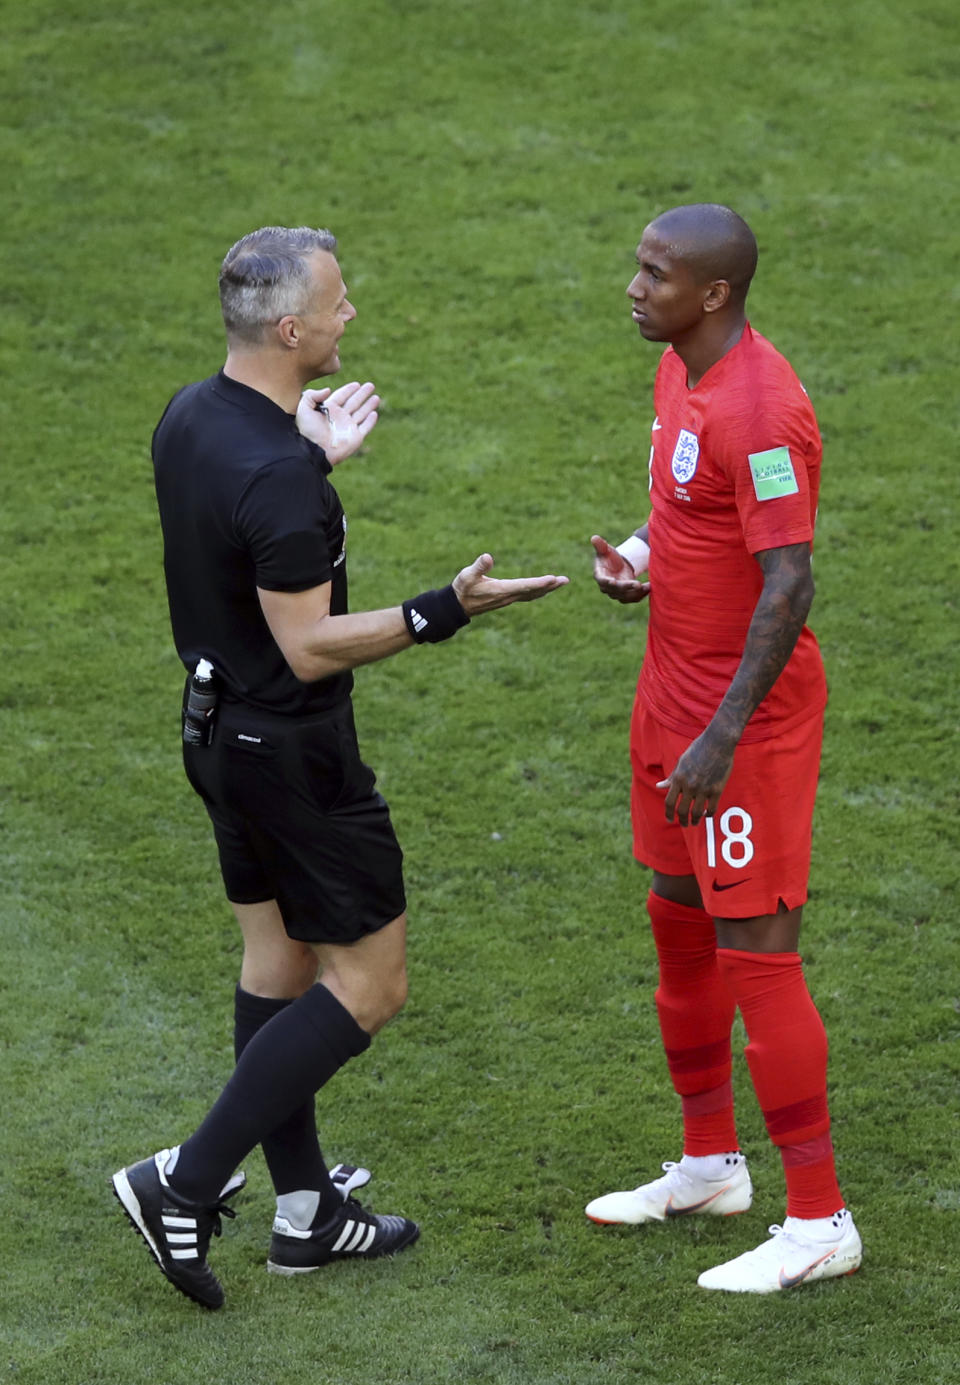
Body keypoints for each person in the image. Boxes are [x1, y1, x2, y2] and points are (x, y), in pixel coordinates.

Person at [112, 225, 568, 1310]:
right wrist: (444, 610)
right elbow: (310, 644)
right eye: (338, 303)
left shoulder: (195, 416)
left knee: (276, 964)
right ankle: (182, 1178)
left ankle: (307, 1208)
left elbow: (238, 517)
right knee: (368, 984)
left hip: (215, 732)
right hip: (291, 751)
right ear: (289, 327)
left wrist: (309, 453)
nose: (349, 314)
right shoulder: (279, 475)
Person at [585, 204, 861, 1294]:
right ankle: (710, 1164)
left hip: (737, 725)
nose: (634, 286)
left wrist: (722, 735)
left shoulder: (765, 408)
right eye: (638, 265)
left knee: (759, 953)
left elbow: (791, 579)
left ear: (716, 294)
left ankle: (820, 1218)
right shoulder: (680, 370)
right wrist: (645, 552)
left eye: (656, 274)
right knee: (676, 920)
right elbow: (693, 510)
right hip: (671, 699)